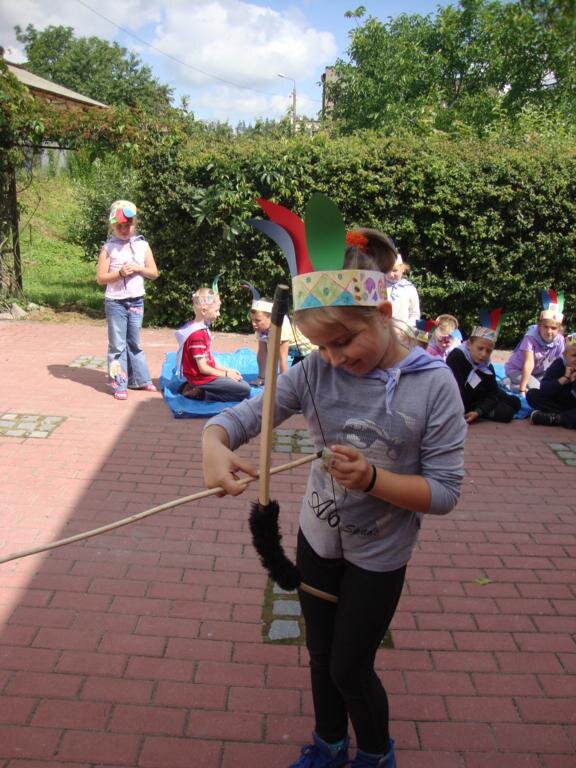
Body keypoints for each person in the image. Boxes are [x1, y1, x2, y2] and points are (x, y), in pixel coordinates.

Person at [202, 194, 466, 768]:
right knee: (320, 655)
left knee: (350, 666)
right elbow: (247, 416)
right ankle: (327, 745)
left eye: (343, 340)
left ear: (383, 313)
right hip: (317, 540)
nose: (332, 358)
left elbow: (444, 492)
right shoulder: (317, 369)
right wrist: (213, 443)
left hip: (380, 555)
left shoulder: (434, 385)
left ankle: (374, 754)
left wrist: (372, 479)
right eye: (319, 345)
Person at [96, 199, 159, 400]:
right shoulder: (109, 248)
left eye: (128, 225)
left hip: (136, 301)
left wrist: (139, 268)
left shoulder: (142, 245)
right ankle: (119, 383)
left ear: (135, 224)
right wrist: (120, 273)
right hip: (115, 302)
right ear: (113, 227)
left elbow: (154, 272)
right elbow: (100, 278)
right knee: (117, 345)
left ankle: (140, 380)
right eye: (119, 226)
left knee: (135, 342)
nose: (124, 229)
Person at [175, 279, 251, 403]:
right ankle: (201, 393)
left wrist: (227, 370)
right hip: (201, 379)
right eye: (216, 310)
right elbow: (203, 368)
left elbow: (210, 363)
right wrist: (226, 375)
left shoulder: (199, 329)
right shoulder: (197, 335)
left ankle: (196, 388)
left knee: (240, 382)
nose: (219, 314)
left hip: (204, 377)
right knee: (244, 390)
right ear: (204, 311)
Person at [446, 310, 521, 424]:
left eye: (488, 351)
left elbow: (492, 392)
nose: (483, 354)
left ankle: (487, 408)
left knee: (515, 402)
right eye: (480, 348)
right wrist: (477, 410)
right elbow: (456, 390)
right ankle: (485, 410)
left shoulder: (487, 365)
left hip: (481, 395)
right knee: (506, 413)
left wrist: (479, 411)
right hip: (465, 399)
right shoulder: (457, 357)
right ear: (469, 344)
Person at [241, 281, 315, 387]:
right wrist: (261, 378)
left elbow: (282, 359)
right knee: (295, 377)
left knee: (301, 382)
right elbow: (262, 353)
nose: (254, 323)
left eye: (257, 320)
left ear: (271, 318)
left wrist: (286, 386)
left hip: (310, 353)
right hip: (297, 355)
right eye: (252, 320)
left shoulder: (281, 326)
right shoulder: (261, 328)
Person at [503, 290, 566, 395]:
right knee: (540, 389)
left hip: (539, 373)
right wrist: (522, 390)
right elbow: (529, 363)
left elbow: (562, 360)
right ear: (539, 325)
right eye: (545, 327)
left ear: (559, 329)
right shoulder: (531, 337)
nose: (549, 331)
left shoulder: (559, 340)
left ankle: (520, 385)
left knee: (549, 386)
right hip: (518, 370)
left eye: (553, 328)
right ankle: (508, 384)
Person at [527, 333, 576, 428]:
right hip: (559, 403)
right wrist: (564, 378)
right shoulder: (559, 364)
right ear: (565, 355)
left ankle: (556, 418)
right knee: (532, 394)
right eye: (574, 355)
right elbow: (544, 389)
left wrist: (574, 382)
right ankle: (564, 417)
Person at [384, 252, 420, 331]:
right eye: (387, 270)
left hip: (402, 332)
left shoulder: (409, 288)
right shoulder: (380, 285)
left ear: (403, 269)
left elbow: (414, 314)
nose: (391, 274)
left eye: (395, 270)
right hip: (383, 331)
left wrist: (406, 329)